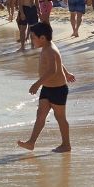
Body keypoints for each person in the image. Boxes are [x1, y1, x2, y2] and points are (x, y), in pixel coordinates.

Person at [17, 22, 75, 153]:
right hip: (47, 89)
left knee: (60, 117)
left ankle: (66, 145)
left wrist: (37, 84)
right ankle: (31, 142)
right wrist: (66, 73)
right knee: (40, 115)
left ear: (42, 38)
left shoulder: (50, 50)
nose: (32, 40)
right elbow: (59, 62)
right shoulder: (47, 47)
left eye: (33, 37)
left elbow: (52, 71)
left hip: (58, 89)